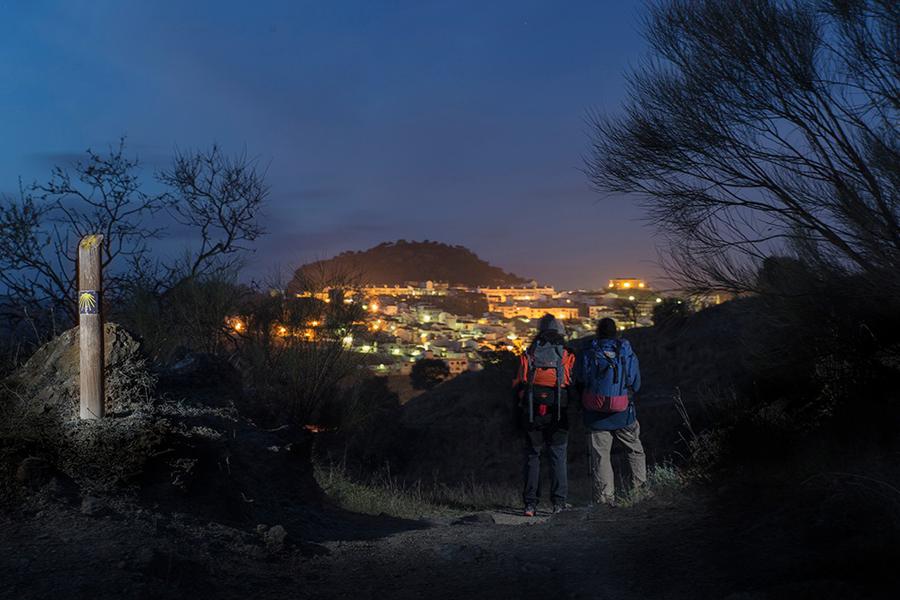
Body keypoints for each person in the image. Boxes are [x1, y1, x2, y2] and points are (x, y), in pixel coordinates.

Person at [576, 317, 646, 505]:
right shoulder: (625, 351)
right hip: (623, 411)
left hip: (595, 413)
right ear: (616, 332)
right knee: (635, 450)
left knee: (601, 457)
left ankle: (605, 500)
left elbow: (580, 379)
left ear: (597, 331)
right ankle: (639, 494)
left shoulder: (589, 351)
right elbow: (635, 383)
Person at [512, 314, 576, 517]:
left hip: (532, 412)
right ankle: (559, 503)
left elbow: (519, 382)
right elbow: (571, 381)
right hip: (558, 411)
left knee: (533, 456)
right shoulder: (567, 355)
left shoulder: (529, 354)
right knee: (558, 457)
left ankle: (530, 504)